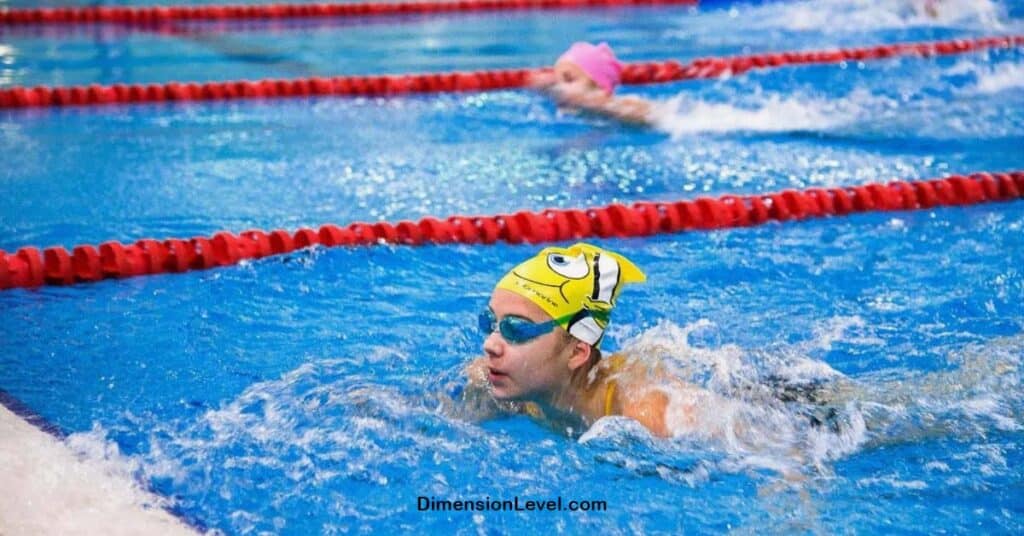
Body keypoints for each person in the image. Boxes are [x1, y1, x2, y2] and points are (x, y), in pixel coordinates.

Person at [464, 242, 691, 437]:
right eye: (490, 323)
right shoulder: (496, 382)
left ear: (577, 353)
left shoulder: (646, 415)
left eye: (517, 329)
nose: (490, 345)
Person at [529, 42, 654, 125]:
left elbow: (653, 115)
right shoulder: (587, 119)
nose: (560, 87)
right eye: (558, 81)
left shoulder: (624, 105)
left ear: (600, 87)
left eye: (569, 80)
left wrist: (585, 102)